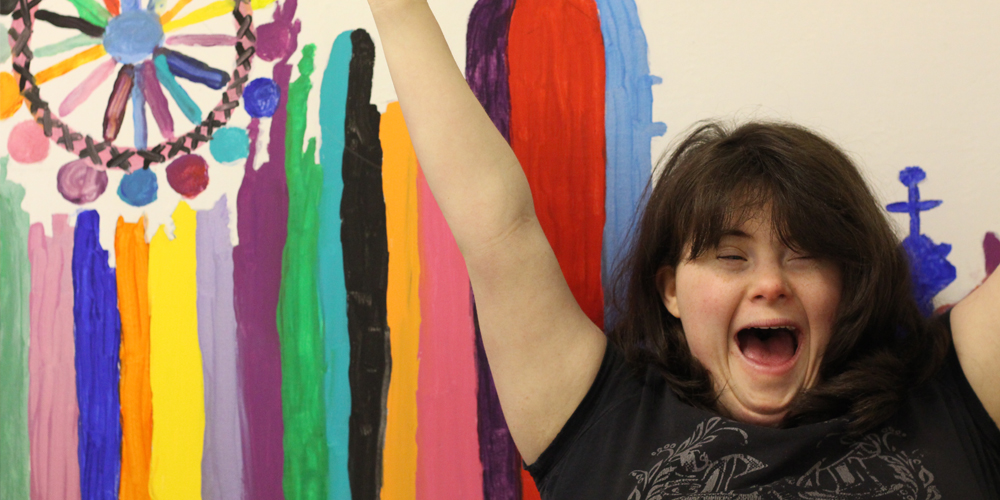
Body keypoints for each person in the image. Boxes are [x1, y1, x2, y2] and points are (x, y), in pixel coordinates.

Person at [365, 1, 1000, 497]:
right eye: (731, 257)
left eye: (803, 256)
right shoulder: (601, 423)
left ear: (848, 283)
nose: (770, 283)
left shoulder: (946, 397)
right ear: (670, 288)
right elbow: (497, 229)